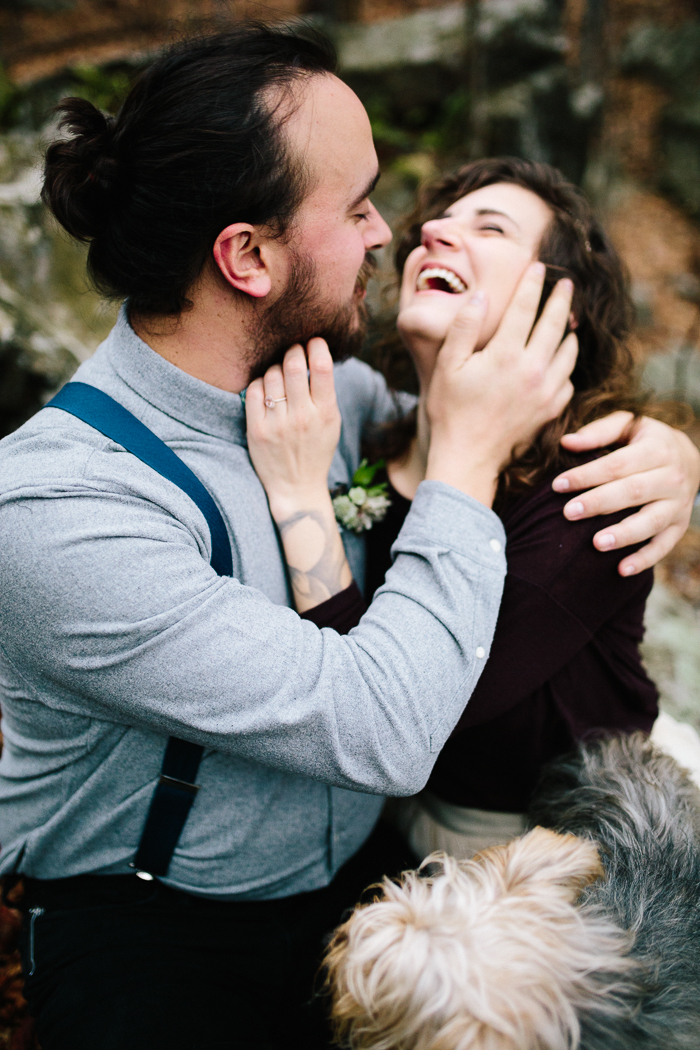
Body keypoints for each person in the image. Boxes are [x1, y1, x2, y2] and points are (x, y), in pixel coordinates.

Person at [0, 26, 696, 1050]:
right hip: (157, 932)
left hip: (374, 896)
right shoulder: (61, 507)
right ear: (247, 255)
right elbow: (380, 731)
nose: (391, 234)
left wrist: (666, 452)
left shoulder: (348, 397)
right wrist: (460, 452)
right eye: (358, 205)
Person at [248, 156, 700, 866]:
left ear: (562, 307)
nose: (431, 232)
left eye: (490, 228)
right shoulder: (369, 435)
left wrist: (301, 499)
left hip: (556, 865)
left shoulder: (592, 489)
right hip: (383, 832)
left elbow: (407, 712)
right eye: (438, 221)